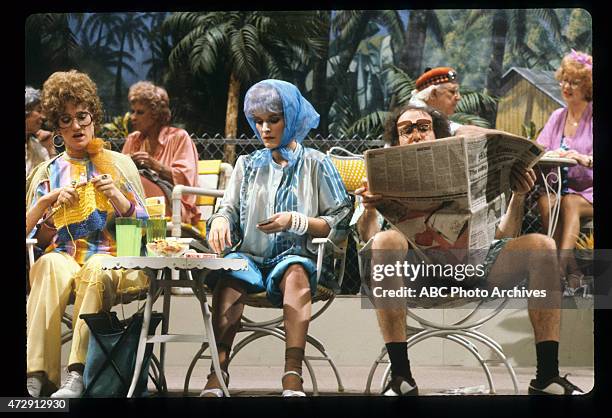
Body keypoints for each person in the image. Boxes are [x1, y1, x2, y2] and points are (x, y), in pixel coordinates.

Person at [355, 104, 584, 396]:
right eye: (406, 130)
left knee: (543, 245)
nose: (415, 135)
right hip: (418, 275)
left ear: (437, 134)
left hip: (476, 265)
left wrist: (518, 196)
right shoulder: (379, 177)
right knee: (386, 242)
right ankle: (401, 377)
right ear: (397, 139)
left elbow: (504, 235)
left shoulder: (473, 166)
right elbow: (368, 237)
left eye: (423, 127)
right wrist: (370, 210)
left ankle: (546, 378)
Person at [201, 79, 353, 397]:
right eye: (258, 122)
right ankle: (218, 370)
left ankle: (292, 374)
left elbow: (340, 221)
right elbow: (226, 209)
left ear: (292, 118)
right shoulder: (248, 164)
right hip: (253, 259)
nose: (265, 129)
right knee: (231, 271)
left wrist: (296, 221)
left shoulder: (317, 164)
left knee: (294, 269)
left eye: (273, 120)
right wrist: (218, 221)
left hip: (302, 260)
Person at [25, 70, 150, 398]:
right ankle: (37, 376)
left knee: (97, 267)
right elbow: (36, 240)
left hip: (115, 260)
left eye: (82, 116)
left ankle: (77, 373)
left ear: (93, 116)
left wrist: (119, 199)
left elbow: (143, 235)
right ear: (57, 127)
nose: (77, 126)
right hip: (67, 258)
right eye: (65, 120)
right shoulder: (47, 172)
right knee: (48, 264)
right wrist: (48, 208)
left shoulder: (119, 165)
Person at [535, 50, 593, 289]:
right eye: (564, 80)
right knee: (546, 201)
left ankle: (558, 267)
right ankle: (574, 271)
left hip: (590, 190)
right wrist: (552, 154)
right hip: (561, 188)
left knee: (569, 202)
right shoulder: (558, 116)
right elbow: (538, 148)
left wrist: (582, 158)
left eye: (574, 82)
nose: (567, 86)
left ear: (587, 86)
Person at [122, 81, 200, 225]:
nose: (133, 117)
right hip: (135, 203)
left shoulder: (179, 137)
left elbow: (187, 180)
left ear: (155, 114)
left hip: (174, 204)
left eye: (140, 112)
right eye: (132, 111)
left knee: (136, 181)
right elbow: (120, 175)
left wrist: (155, 166)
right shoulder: (133, 140)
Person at [408, 67, 494, 136]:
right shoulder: (416, 116)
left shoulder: (431, 114)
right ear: (433, 94)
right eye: (452, 92)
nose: (459, 97)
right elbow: (456, 129)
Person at [26, 86, 55, 177]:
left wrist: (50, 149)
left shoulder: (38, 146)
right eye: (38, 111)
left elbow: (53, 178)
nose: (43, 117)